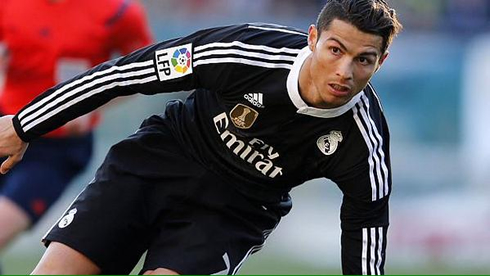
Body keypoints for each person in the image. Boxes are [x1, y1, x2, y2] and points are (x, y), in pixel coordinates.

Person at [0, 0, 402, 274]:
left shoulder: (363, 140)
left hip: (232, 213)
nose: (344, 72)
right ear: (313, 38)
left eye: (363, 59)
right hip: (156, 165)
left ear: (381, 61)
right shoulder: (242, 51)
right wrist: (23, 126)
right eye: (335, 50)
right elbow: (124, 73)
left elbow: (365, 227)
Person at [0, 0, 152, 259]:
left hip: (57, 147)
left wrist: (91, 106)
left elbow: (146, 70)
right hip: (5, 128)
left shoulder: (118, 12)